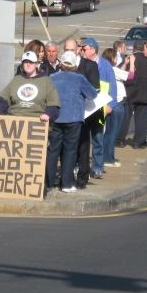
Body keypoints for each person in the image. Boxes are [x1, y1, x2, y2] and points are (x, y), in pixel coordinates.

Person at [47, 51, 97, 192]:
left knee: (53, 151)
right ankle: (67, 183)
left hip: (56, 117)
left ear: (61, 63)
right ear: (75, 64)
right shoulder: (79, 78)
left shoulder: (52, 77)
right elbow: (92, 94)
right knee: (70, 151)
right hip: (74, 118)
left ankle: (49, 182)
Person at [79, 38, 117, 180]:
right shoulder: (80, 63)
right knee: (82, 139)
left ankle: (97, 167)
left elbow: (112, 85)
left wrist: (110, 105)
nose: (82, 51)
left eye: (85, 49)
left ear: (93, 50)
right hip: (84, 107)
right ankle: (80, 166)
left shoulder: (105, 65)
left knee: (98, 137)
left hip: (100, 108)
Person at [0, 51, 60, 123]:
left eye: (31, 62)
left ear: (36, 64)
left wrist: (48, 114)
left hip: (37, 121)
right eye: (25, 62)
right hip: (15, 120)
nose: (28, 64)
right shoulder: (16, 80)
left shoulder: (46, 81)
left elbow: (54, 104)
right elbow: (3, 98)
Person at [120, 40, 147, 148]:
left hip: (129, 94)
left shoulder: (129, 60)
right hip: (145, 95)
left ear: (133, 49)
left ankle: (120, 140)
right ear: (143, 49)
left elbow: (119, 74)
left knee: (124, 118)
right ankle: (139, 142)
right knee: (142, 120)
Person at [102, 48, 126, 167]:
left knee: (111, 132)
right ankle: (107, 158)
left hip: (114, 103)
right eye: (116, 57)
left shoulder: (109, 69)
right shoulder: (114, 70)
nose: (117, 59)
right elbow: (130, 76)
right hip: (116, 103)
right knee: (112, 132)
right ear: (112, 59)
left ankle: (110, 156)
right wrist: (129, 63)